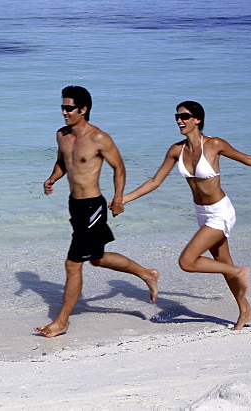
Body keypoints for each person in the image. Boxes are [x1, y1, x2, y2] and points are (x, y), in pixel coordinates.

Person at [121, 101, 251, 330]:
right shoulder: (177, 150)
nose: (179, 120)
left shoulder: (215, 145)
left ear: (197, 119)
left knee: (187, 262)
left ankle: (239, 271)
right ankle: (245, 310)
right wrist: (124, 198)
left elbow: (247, 159)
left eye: (185, 116)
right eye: (177, 116)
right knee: (223, 264)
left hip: (220, 212)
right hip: (202, 214)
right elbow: (155, 181)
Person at [35, 86, 159, 338]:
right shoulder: (62, 135)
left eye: (69, 108)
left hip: (93, 206)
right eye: (62, 107)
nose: (64, 113)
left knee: (73, 264)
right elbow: (63, 162)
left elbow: (119, 168)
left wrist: (119, 199)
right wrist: (52, 178)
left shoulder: (99, 138)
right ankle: (147, 273)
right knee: (97, 258)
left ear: (84, 109)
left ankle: (61, 322)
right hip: (75, 205)